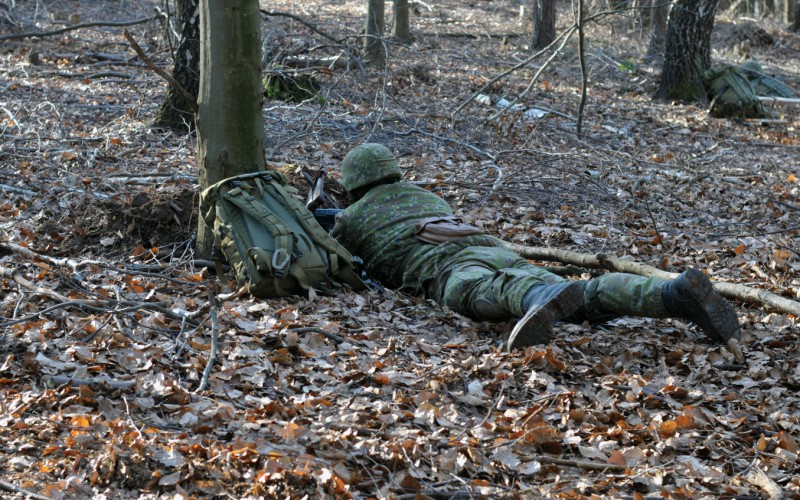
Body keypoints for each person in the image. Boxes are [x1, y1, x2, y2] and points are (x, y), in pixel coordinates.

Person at [332, 143, 741, 351]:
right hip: (492, 248)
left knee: (472, 292)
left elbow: (334, 259)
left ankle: (540, 298)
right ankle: (671, 293)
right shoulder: (426, 196)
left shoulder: (350, 218)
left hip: (445, 266)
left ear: (353, 182)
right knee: (584, 294)